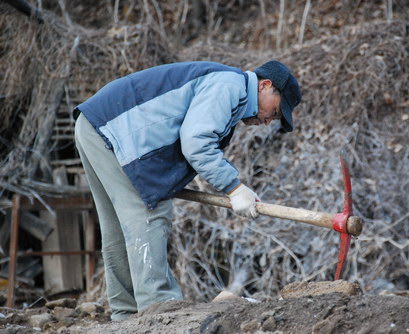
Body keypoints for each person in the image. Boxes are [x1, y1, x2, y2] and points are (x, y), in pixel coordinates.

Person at [73, 60, 301, 320]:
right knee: (150, 214)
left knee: (117, 227)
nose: (270, 120)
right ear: (265, 85)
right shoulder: (230, 86)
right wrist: (234, 187)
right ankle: (158, 316)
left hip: (96, 126)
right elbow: (196, 143)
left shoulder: (227, 88)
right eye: (276, 111)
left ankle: (126, 316)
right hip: (114, 133)